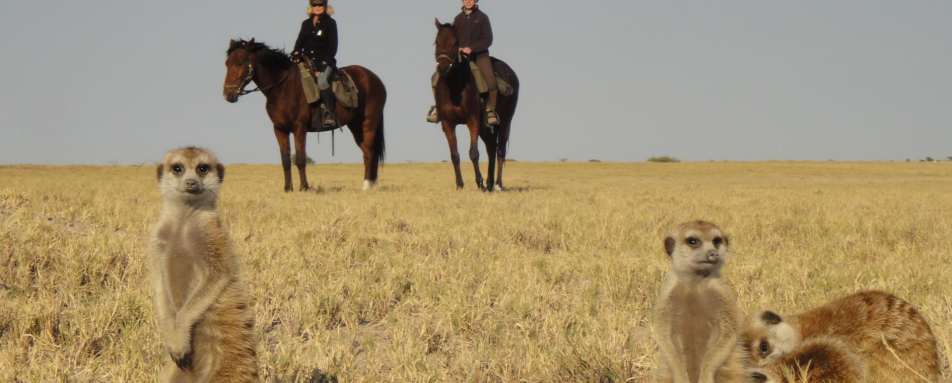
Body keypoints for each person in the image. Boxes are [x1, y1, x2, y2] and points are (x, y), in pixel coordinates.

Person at [427, 0, 499, 126]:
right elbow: (452, 39)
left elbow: (488, 39)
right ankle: (439, 109)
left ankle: (490, 110)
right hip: (461, 57)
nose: (468, 1)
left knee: (490, 80)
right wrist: (456, 49)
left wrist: (471, 48)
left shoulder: (482, 18)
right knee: (435, 78)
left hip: (479, 55)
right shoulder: (457, 19)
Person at [292, 0, 338, 129]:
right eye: (314, 5)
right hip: (307, 61)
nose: (317, 8)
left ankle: (330, 114)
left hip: (325, 62)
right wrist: (295, 53)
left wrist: (323, 65)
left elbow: (333, 46)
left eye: (320, 5)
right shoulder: (305, 24)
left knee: (322, 81)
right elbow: (299, 42)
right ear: (311, 7)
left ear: (324, 6)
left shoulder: (330, 23)